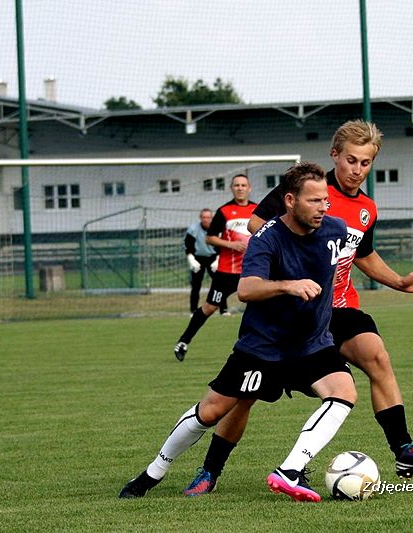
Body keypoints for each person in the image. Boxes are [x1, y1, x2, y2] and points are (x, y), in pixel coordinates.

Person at [182, 119, 413, 497]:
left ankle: (403, 449)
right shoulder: (308, 188)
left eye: (366, 163)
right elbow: (258, 224)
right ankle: (209, 471)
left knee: (377, 356)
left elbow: (363, 255)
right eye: (351, 160)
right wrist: (290, 268)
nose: (357, 169)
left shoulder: (366, 207)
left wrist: (399, 282)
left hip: (337, 307)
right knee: (245, 395)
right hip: (290, 310)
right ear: (335, 155)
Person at [120, 162, 351, 502]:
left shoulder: (336, 229)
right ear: (290, 200)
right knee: (212, 411)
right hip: (263, 347)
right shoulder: (267, 238)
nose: (323, 207)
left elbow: (354, 259)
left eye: (325, 200)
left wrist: (399, 282)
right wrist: (289, 285)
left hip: (311, 344)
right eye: (314, 201)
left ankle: (290, 470)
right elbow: (246, 289)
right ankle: (155, 471)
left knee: (344, 391)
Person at [173, 174, 257, 361]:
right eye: (236, 185)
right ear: (231, 188)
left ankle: (261, 349)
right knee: (210, 307)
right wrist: (231, 245)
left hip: (251, 271)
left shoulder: (257, 210)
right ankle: (183, 341)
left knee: (266, 307)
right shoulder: (224, 211)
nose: (240, 188)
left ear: (249, 188)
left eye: (243, 185)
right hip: (227, 271)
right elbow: (209, 238)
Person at [183, 208, 227, 315]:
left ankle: (223, 310)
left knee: (220, 284)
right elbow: (188, 246)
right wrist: (191, 260)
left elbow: (223, 245)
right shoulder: (193, 229)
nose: (206, 220)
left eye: (208, 217)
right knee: (195, 285)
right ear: (200, 218)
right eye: (204, 217)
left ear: (212, 218)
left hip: (213, 258)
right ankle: (193, 310)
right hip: (198, 258)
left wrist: (217, 260)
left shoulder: (217, 229)